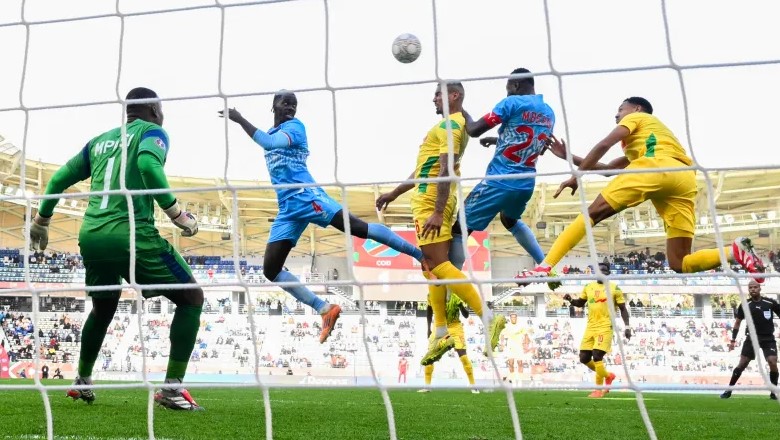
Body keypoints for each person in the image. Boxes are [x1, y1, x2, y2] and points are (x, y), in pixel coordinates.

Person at [29, 87, 204, 411]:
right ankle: (171, 389)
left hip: (92, 235)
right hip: (132, 235)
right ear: (153, 109)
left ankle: (82, 381)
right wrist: (177, 214)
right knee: (192, 297)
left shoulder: (99, 142)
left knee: (103, 308)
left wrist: (41, 222)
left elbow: (56, 182)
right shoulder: (153, 131)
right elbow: (149, 166)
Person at [220, 91, 426, 343]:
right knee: (270, 270)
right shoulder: (272, 131)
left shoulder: (295, 127)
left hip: (309, 197)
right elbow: (268, 140)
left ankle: (420, 256)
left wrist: (240, 119)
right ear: (273, 106)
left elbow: (269, 144)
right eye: (285, 103)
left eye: (293, 105)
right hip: (288, 208)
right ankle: (324, 309)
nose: (290, 108)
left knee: (358, 229)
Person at [523, 97, 764, 282]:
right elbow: (608, 169)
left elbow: (604, 144)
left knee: (591, 215)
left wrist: (577, 177)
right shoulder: (651, 137)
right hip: (683, 179)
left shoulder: (638, 119)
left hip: (655, 168)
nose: (616, 115)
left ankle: (545, 266)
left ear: (636, 109)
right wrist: (568, 156)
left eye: (621, 109)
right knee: (679, 263)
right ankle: (734, 251)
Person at [375, 82, 504, 366]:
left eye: (438, 94)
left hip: (432, 201)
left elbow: (444, 170)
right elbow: (426, 168)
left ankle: (487, 316)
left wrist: (435, 210)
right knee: (431, 268)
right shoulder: (454, 124)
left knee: (436, 265)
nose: (433, 98)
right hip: (435, 198)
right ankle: (441, 331)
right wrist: (395, 193)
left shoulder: (451, 126)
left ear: (453, 96)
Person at [456, 68, 555, 283]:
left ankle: (450, 280)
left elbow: (473, 130)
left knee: (459, 225)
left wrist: (461, 111)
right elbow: (533, 143)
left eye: (508, 88)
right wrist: (497, 140)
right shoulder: (549, 112)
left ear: (516, 86)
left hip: (499, 181)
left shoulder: (511, 103)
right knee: (509, 219)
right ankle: (545, 265)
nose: (508, 92)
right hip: (526, 182)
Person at [563, 262, 631, 398]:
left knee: (597, 355)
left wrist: (627, 326)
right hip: (591, 326)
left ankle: (598, 390)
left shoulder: (614, 288)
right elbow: (580, 303)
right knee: (584, 358)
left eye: (604, 270)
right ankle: (608, 376)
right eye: (599, 270)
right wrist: (571, 300)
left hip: (605, 326)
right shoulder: (588, 287)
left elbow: (623, 309)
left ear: (608, 273)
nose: (601, 273)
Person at [721, 280, 780, 400]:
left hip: (768, 338)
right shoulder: (745, 304)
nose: (753, 289)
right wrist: (733, 340)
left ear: (760, 288)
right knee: (742, 364)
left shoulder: (770, 303)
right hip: (751, 338)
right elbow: (737, 323)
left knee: (772, 362)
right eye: (750, 288)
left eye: (755, 287)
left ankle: (773, 392)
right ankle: (729, 390)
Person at [418, 294, 479, 393]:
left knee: (463, 356)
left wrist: (460, 305)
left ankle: (473, 385)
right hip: (439, 326)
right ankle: (427, 386)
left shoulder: (456, 295)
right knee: (430, 356)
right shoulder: (432, 294)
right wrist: (428, 328)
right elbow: (429, 311)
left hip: (455, 327)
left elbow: (466, 315)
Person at [502, 313, 532, 386]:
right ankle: (513, 379)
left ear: (516, 318)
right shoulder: (507, 326)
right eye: (512, 317)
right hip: (510, 348)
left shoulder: (521, 326)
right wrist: (502, 344)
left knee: (520, 363)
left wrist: (526, 345)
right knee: (511, 364)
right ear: (510, 318)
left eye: (515, 317)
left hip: (519, 347)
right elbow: (502, 335)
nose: (513, 319)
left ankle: (520, 380)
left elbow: (525, 335)